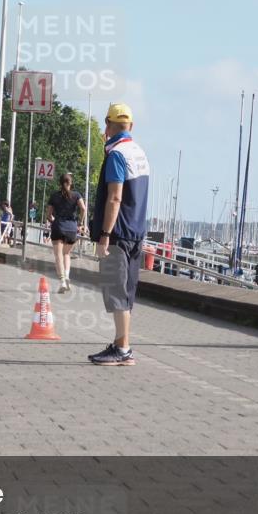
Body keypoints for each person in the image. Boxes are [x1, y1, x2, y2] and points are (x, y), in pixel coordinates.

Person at [88, 102, 150, 367]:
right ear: (131, 126)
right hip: (136, 232)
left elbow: (115, 198)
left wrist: (104, 234)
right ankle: (120, 344)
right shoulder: (139, 153)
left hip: (118, 233)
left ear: (108, 125)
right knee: (127, 293)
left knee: (116, 292)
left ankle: (123, 349)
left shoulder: (116, 155)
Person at [46, 173, 86, 293]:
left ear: (60, 183)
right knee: (66, 254)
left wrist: (53, 220)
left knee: (58, 255)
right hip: (71, 228)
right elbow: (83, 209)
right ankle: (67, 276)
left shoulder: (54, 196)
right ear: (70, 183)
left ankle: (62, 281)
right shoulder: (76, 195)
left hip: (58, 226)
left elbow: (48, 215)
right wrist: (80, 223)